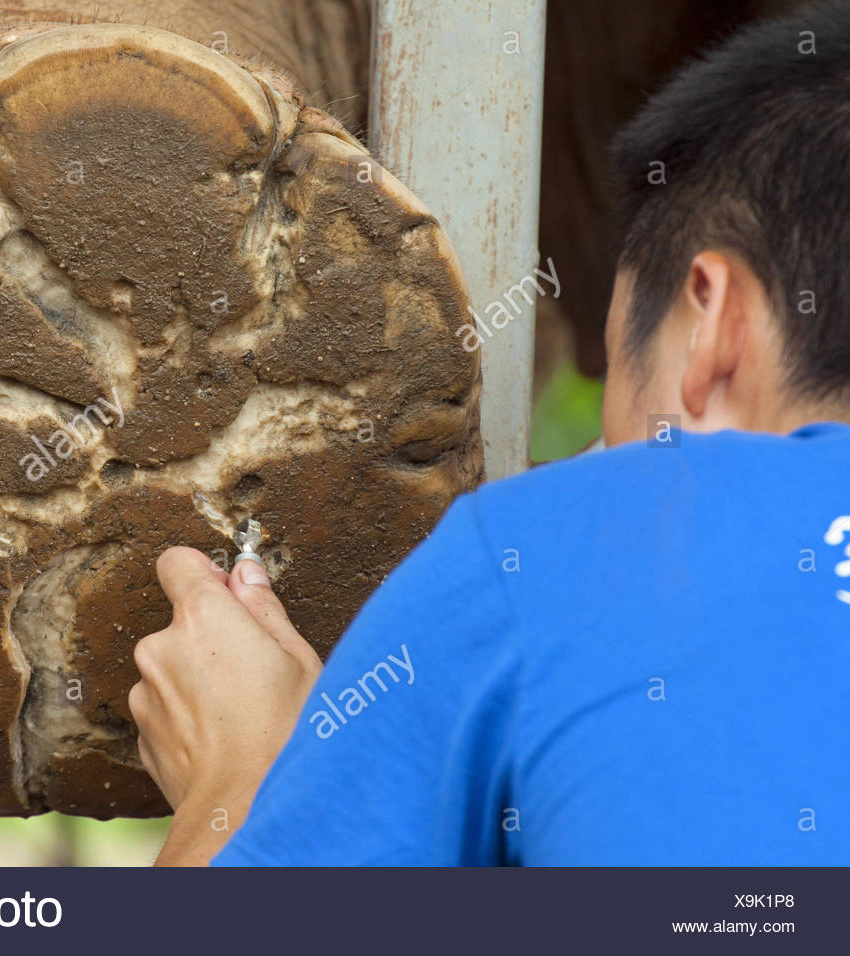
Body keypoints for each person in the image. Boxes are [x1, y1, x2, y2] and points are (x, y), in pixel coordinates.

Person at [128, 4, 850, 865]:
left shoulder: (550, 547)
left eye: (620, 402)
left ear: (713, 327)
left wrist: (239, 778)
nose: (595, 466)